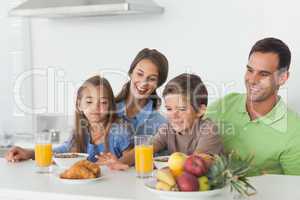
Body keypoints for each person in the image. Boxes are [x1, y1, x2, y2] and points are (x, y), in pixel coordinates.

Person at [206, 37, 300, 176]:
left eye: (264, 74)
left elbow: (295, 189)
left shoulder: (294, 131)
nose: (252, 80)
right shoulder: (224, 105)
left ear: (282, 78)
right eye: (250, 70)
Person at [6, 75, 131, 170]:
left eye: (103, 102)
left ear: (111, 106)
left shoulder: (119, 132)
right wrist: (29, 153)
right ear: (79, 105)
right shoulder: (81, 131)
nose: (95, 107)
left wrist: (120, 162)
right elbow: (63, 151)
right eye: (89, 102)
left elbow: (132, 160)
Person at [98, 74, 223, 167]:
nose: (174, 115)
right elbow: (145, 149)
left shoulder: (208, 130)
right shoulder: (167, 129)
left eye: (181, 109)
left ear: (200, 110)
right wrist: (119, 162)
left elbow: (195, 164)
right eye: (169, 109)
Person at [115, 48, 169, 136]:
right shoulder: (106, 110)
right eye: (140, 74)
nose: (144, 83)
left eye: (152, 79)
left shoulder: (162, 125)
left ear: (158, 84)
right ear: (131, 73)